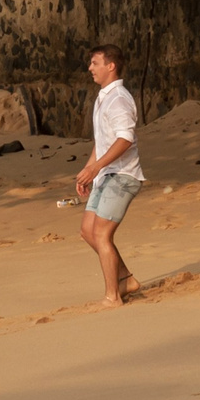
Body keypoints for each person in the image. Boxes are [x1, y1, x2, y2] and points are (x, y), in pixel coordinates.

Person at [74, 44, 145, 307]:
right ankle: (125, 278)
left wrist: (97, 167)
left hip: (123, 175)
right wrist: (89, 170)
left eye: (95, 63)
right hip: (107, 174)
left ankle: (113, 296)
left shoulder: (118, 98)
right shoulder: (104, 96)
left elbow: (125, 138)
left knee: (102, 234)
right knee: (87, 231)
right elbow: (102, 140)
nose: (90, 68)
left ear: (110, 66)